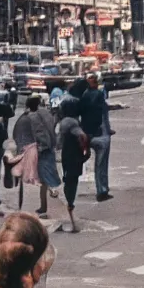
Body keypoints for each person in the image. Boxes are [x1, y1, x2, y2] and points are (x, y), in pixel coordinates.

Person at [57, 97, 90, 233]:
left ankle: (69, 202)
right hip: (74, 155)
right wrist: (86, 150)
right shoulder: (72, 122)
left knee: (69, 178)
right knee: (72, 180)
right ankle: (70, 203)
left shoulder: (64, 122)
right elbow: (83, 136)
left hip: (67, 155)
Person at [79, 71, 113, 202]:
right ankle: (102, 190)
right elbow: (104, 115)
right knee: (101, 164)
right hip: (101, 134)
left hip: (87, 134)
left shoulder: (84, 96)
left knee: (88, 161)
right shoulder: (99, 95)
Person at [28, 96, 60, 218]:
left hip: (43, 151)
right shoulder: (45, 113)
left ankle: (49, 205)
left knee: (45, 179)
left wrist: (39, 149)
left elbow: (40, 134)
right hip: (49, 149)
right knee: (46, 179)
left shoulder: (33, 117)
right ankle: (44, 206)